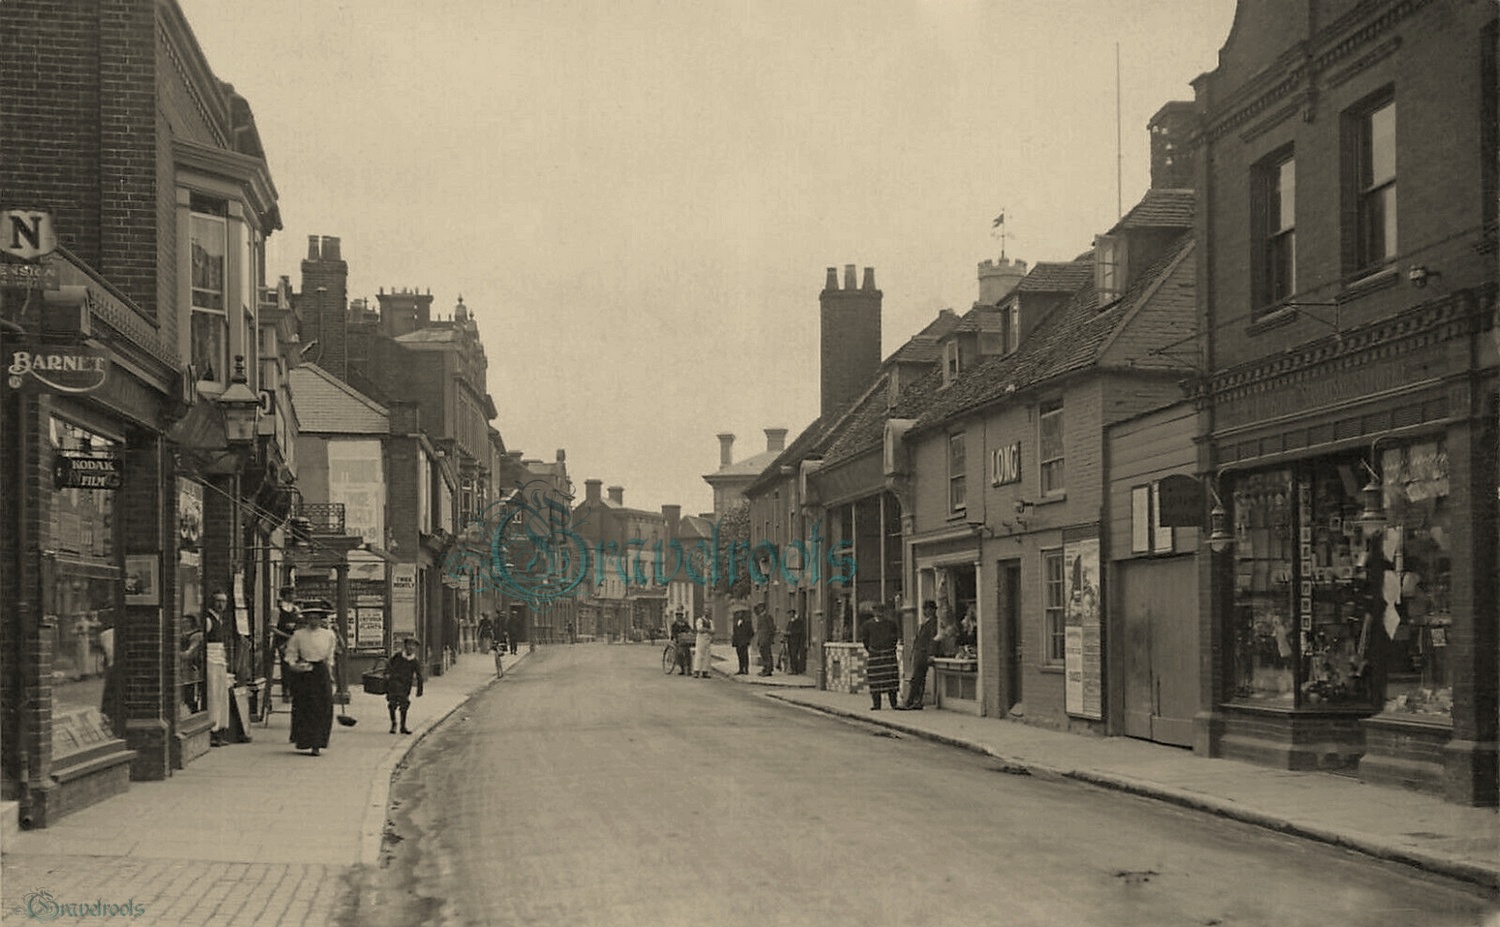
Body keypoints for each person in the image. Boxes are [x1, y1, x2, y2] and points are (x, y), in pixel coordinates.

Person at [283, 608, 339, 756]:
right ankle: (304, 741)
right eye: (311, 618)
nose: (313, 621)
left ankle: (318, 743)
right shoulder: (299, 635)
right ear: (306, 619)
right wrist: (293, 665)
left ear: (321, 620)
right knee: (305, 706)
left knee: (324, 705)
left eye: (316, 618)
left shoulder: (328, 635)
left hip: (321, 671)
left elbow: (330, 656)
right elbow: (290, 652)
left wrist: (330, 673)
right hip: (305, 671)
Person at [858, 602, 900, 710]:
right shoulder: (867, 625)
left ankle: (893, 703)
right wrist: (872, 650)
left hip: (888, 654)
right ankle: (877, 704)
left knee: (891, 680)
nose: (879, 613)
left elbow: (895, 638)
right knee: (875, 681)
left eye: (881, 611)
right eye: (877, 611)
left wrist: (890, 648)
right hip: (875, 655)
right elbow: (865, 640)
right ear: (873, 612)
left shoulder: (891, 624)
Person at [203, 591, 231, 746]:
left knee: (220, 694)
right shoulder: (208, 619)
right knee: (212, 693)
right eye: (218, 601)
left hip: (220, 659)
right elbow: (201, 640)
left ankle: (219, 728)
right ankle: (212, 730)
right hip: (211, 659)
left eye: (224, 602)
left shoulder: (220, 619)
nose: (221, 605)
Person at [900, 601, 939, 710]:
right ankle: (917, 702)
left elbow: (933, 640)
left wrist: (931, 654)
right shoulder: (926, 623)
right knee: (919, 679)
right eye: (924, 608)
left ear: (932, 610)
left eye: (927, 609)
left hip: (923, 654)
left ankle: (910, 702)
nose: (924, 611)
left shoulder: (933, 623)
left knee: (916, 679)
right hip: (919, 653)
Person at [384, 637, 424, 734]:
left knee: (404, 705)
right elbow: (389, 664)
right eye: (409, 645)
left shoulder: (415, 661)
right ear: (405, 646)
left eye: (413, 646)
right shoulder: (398, 656)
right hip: (393, 684)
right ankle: (393, 724)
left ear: (415, 648)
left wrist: (419, 690)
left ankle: (403, 726)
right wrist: (387, 673)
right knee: (392, 704)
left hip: (405, 686)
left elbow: (419, 676)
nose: (410, 647)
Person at [272, 588, 301, 702]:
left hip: (295, 640)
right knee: (286, 664)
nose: (294, 596)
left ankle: (296, 688)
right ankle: (286, 690)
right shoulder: (277, 610)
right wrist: (286, 636)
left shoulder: (296, 609)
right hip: (283, 641)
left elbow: (299, 623)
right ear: (286, 595)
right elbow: (272, 628)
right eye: (292, 594)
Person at [730, 604, 754, 675]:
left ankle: (746, 669)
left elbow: (751, 632)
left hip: (744, 642)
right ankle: (740, 669)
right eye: (738, 613)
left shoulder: (747, 623)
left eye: (741, 613)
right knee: (739, 655)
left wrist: (747, 639)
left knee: (745, 656)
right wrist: (734, 641)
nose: (739, 615)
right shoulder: (736, 622)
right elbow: (735, 632)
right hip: (738, 642)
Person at [753, 602, 776, 677]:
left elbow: (772, 628)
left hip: (766, 638)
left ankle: (768, 670)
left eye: (760, 607)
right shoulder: (760, 617)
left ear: (763, 608)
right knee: (763, 653)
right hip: (761, 638)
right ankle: (765, 668)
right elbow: (760, 630)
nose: (759, 609)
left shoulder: (768, 617)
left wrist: (770, 638)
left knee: (767, 654)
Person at [669, 608, 693, 676]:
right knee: (679, 654)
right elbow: (673, 632)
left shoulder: (685, 623)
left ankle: (689, 669)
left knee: (688, 655)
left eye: (680, 615)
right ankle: (682, 669)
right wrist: (673, 638)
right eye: (678, 615)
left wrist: (688, 633)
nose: (679, 617)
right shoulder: (674, 624)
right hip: (678, 641)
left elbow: (689, 629)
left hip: (685, 641)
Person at [692, 609, 715, 678]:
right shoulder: (700, 620)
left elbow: (713, 630)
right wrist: (708, 630)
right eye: (706, 612)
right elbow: (700, 629)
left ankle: (705, 671)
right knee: (699, 654)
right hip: (701, 639)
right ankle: (696, 670)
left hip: (707, 639)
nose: (707, 614)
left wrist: (706, 630)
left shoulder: (710, 621)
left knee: (707, 655)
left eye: (708, 612)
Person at [784, 608, 807, 675]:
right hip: (790, 641)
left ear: (793, 613)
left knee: (794, 655)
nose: (789, 615)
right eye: (789, 614)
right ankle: (792, 669)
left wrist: (790, 633)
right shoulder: (790, 622)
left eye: (790, 613)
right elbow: (788, 630)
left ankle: (796, 670)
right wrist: (785, 633)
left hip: (796, 641)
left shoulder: (798, 622)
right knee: (791, 655)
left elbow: (799, 631)